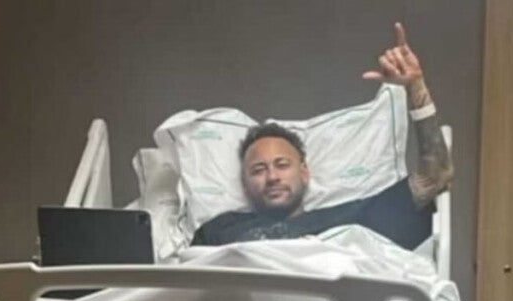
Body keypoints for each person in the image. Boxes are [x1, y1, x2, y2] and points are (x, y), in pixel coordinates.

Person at [191, 23, 453, 250]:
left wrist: (416, 87)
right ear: (245, 184)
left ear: (305, 172)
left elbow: (435, 176)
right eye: (258, 170)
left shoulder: (354, 217)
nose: (272, 177)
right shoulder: (218, 231)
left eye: (282, 164)